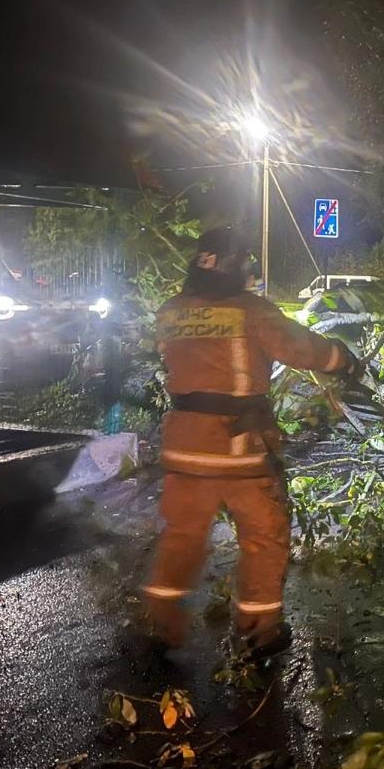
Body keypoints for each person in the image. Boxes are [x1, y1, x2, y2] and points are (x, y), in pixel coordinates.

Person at [141, 228, 358, 656]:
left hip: (183, 447)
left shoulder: (170, 311)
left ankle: (158, 623)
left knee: (182, 535)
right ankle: (259, 631)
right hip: (238, 447)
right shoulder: (251, 311)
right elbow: (301, 349)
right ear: (238, 267)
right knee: (264, 534)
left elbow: (170, 353)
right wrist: (342, 359)